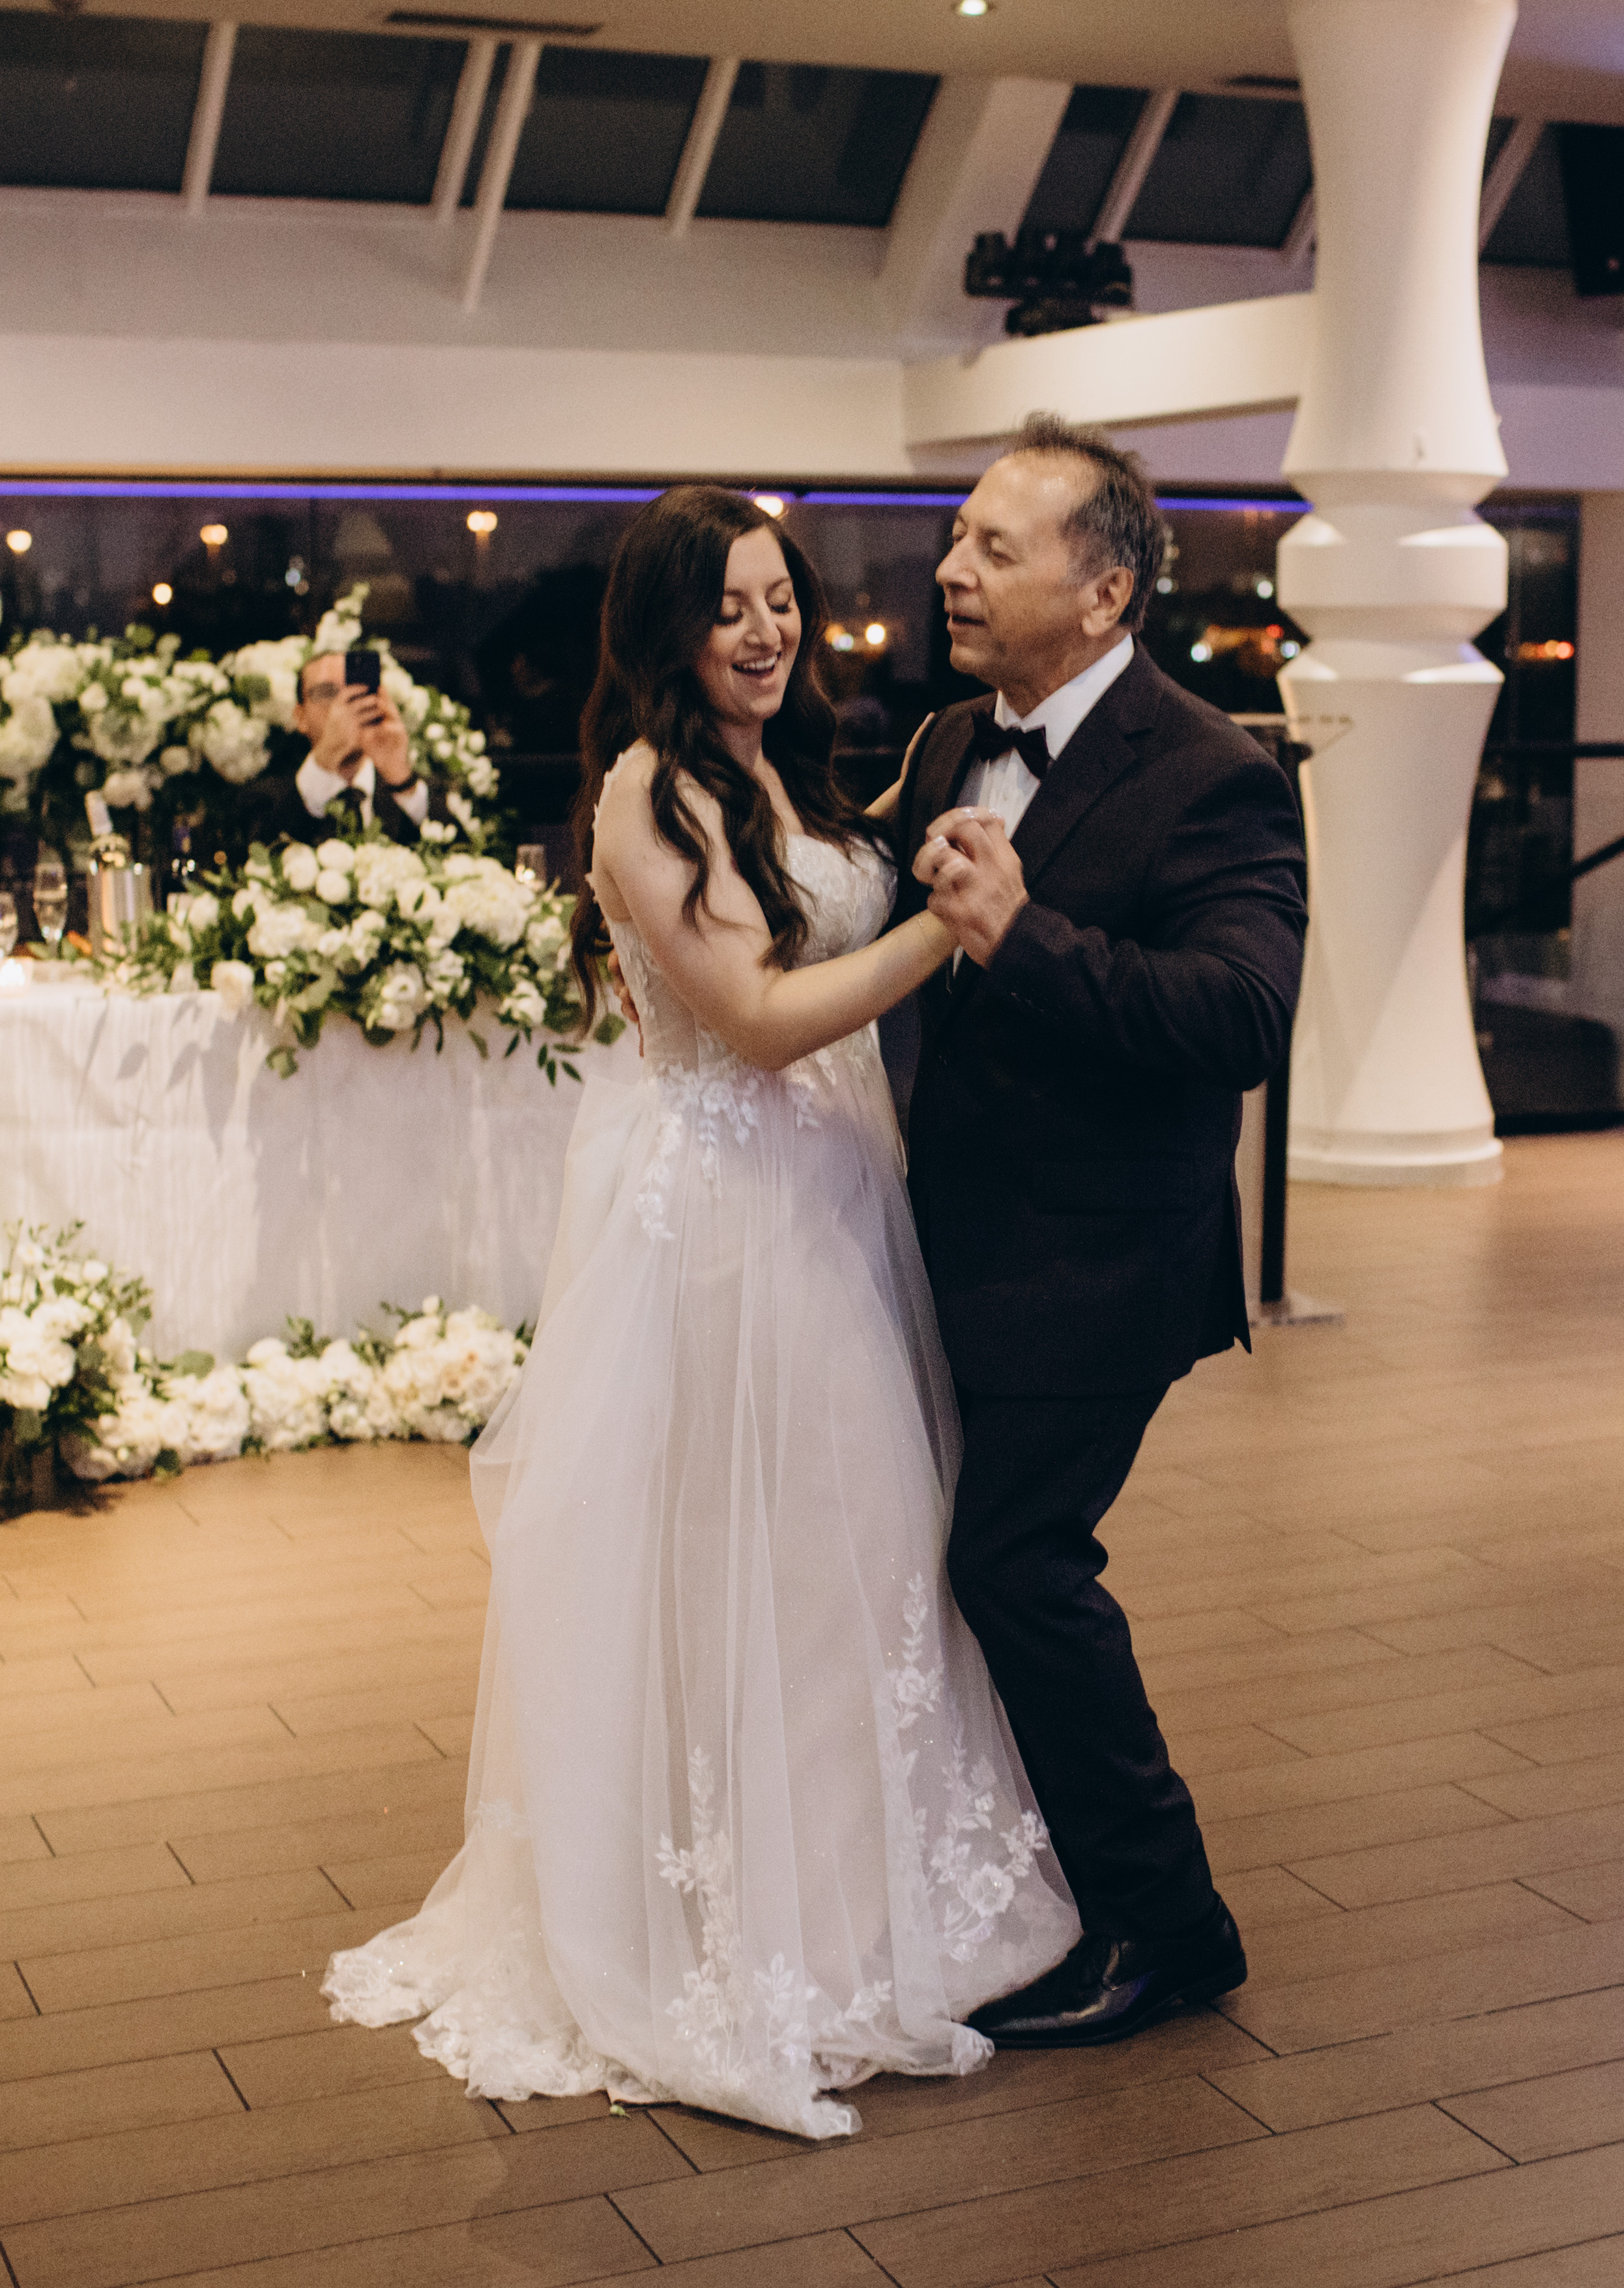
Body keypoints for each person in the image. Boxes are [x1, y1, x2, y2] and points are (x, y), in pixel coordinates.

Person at [322, 486, 1079, 2139]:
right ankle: (728, 1923)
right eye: (729, 605)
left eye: (779, 597)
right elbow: (755, 1017)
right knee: (749, 1559)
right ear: (665, 628)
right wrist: (949, 933)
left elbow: (826, 917)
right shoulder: (644, 794)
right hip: (731, 1219)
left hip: (831, 1198)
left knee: (853, 1557)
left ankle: (848, 1901)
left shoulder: (781, 769)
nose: (764, 628)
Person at [893, 416, 1308, 2046]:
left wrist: (1025, 935)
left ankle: (1168, 1924)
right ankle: (1017, 1883)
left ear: (1105, 589)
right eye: (957, 538)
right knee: (962, 1559)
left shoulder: (1213, 770)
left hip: (1101, 1256)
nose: (950, 569)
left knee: (1015, 1559)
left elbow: (1240, 1015)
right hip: (950, 1240)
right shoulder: (948, 738)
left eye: (992, 548)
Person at [274, 649, 471, 845]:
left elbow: (464, 855)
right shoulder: (269, 796)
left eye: (356, 690)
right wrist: (326, 758)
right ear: (301, 717)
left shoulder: (420, 786)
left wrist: (401, 780)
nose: (344, 705)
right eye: (327, 692)